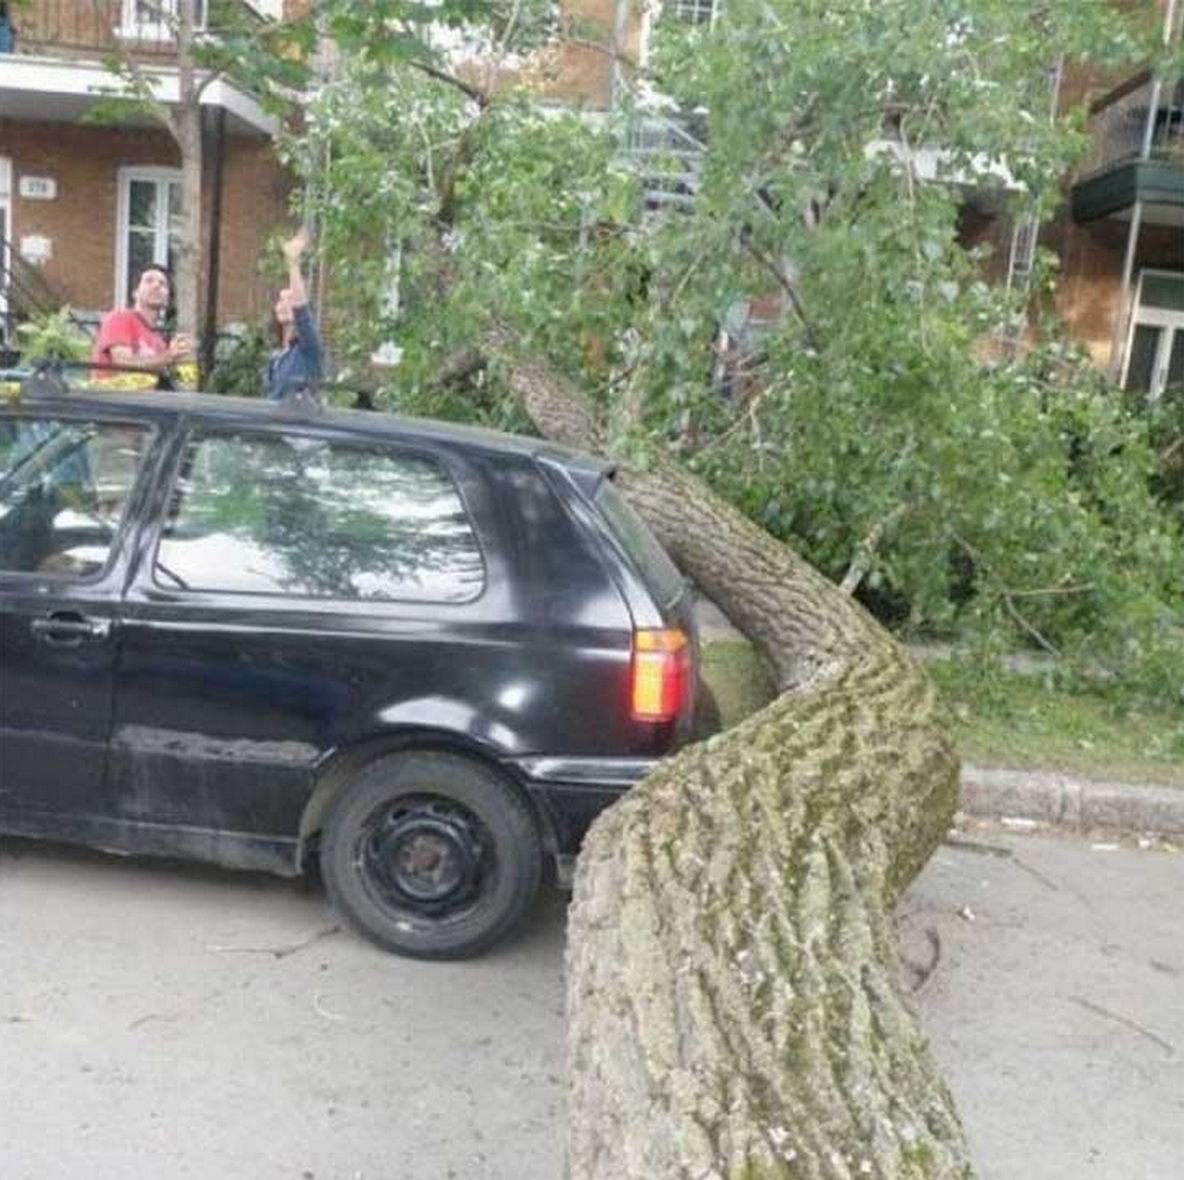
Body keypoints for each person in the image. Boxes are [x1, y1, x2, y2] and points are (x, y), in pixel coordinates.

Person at [90, 265, 193, 381]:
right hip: (112, 397)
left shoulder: (159, 341)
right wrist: (169, 356)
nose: (156, 286)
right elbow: (123, 364)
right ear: (135, 293)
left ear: (167, 298)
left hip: (144, 398)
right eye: (149, 281)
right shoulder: (120, 318)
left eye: (163, 284)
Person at [265, 228, 324, 400]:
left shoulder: (309, 350)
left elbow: (301, 309)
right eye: (280, 300)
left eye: (288, 300)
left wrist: (293, 262)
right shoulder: (278, 357)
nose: (283, 304)